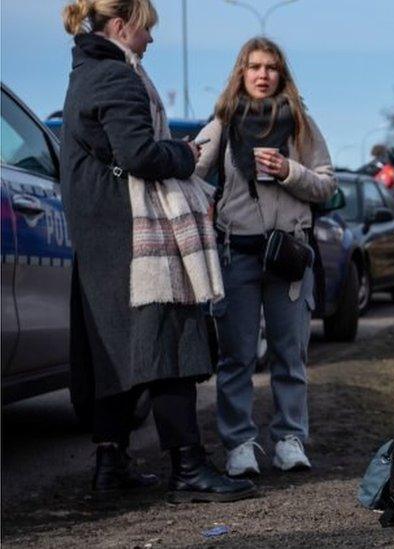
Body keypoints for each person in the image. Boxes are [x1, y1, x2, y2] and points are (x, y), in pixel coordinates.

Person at [60, 0, 254, 502]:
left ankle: (111, 463)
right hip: (132, 237)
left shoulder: (84, 72)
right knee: (170, 344)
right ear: (121, 26)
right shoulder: (116, 76)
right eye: (146, 30)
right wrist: (185, 155)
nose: (151, 40)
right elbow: (139, 154)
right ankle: (188, 469)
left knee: (117, 353)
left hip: (102, 236)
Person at [194, 37, 337, 476]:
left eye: (271, 67)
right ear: (241, 72)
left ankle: (290, 440)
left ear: (282, 75)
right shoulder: (223, 120)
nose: (262, 75)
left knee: (289, 355)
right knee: (236, 357)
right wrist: (207, 208)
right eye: (254, 66)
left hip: (290, 256)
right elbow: (192, 173)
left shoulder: (300, 124)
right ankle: (239, 444)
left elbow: (327, 184)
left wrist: (289, 171)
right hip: (237, 252)